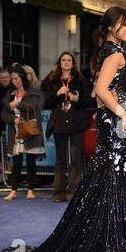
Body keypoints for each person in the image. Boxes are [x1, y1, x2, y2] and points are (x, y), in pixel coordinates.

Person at [0, 6, 126, 252]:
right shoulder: (113, 53)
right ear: (111, 27)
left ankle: (109, 236)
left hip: (116, 120)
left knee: (109, 177)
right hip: (117, 122)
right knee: (112, 177)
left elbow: (104, 90)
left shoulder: (113, 51)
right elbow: (101, 89)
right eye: (124, 24)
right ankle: (108, 238)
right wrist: (123, 114)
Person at [41, 52, 92, 203]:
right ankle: (59, 193)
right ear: (59, 63)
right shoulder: (52, 80)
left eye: (69, 60)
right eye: (63, 60)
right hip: (59, 123)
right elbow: (46, 103)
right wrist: (57, 93)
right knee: (60, 160)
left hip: (77, 122)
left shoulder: (81, 80)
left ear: (73, 63)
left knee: (75, 159)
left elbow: (89, 101)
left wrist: (77, 99)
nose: (66, 62)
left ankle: (73, 192)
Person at [1, 66, 45, 200]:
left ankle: (30, 190)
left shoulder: (33, 92)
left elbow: (35, 107)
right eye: (12, 79)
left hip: (30, 130)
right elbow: (3, 113)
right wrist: (13, 119)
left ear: (22, 78)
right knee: (16, 161)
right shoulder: (9, 94)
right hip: (15, 131)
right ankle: (13, 190)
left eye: (16, 78)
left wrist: (17, 104)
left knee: (31, 161)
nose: (13, 81)